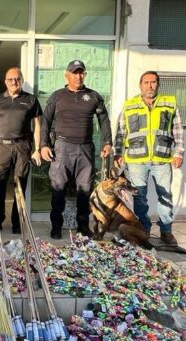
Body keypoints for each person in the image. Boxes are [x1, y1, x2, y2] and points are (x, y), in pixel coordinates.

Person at [39, 60, 112, 240]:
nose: (78, 76)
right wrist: (43, 145)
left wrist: (107, 142)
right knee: (58, 188)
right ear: (67, 75)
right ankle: (56, 226)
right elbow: (45, 121)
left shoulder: (93, 96)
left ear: (84, 75)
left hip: (86, 148)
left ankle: (83, 226)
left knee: (84, 190)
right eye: (74, 73)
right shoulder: (57, 96)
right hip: (61, 148)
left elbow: (104, 120)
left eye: (81, 73)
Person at [114, 71, 184, 246]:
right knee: (139, 197)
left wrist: (179, 152)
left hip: (161, 159)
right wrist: (118, 152)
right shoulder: (130, 106)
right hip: (136, 160)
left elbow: (177, 130)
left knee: (165, 196)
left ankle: (166, 231)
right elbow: (121, 131)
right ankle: (143, 229)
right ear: (140, 85)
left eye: (153, 82)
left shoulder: (169, 104)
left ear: (158, 84)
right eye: (146, 82)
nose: (150, 86)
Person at [0, 67, 42, 234]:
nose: (14, 82)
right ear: (5, 82)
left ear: (21, 80)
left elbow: (38, 126)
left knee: (20, 186)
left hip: (22, 146)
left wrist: (37, 149)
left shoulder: (31, 100)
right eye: (10, 79)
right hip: (1, 147)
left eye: (17, 78)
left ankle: (17, 223)